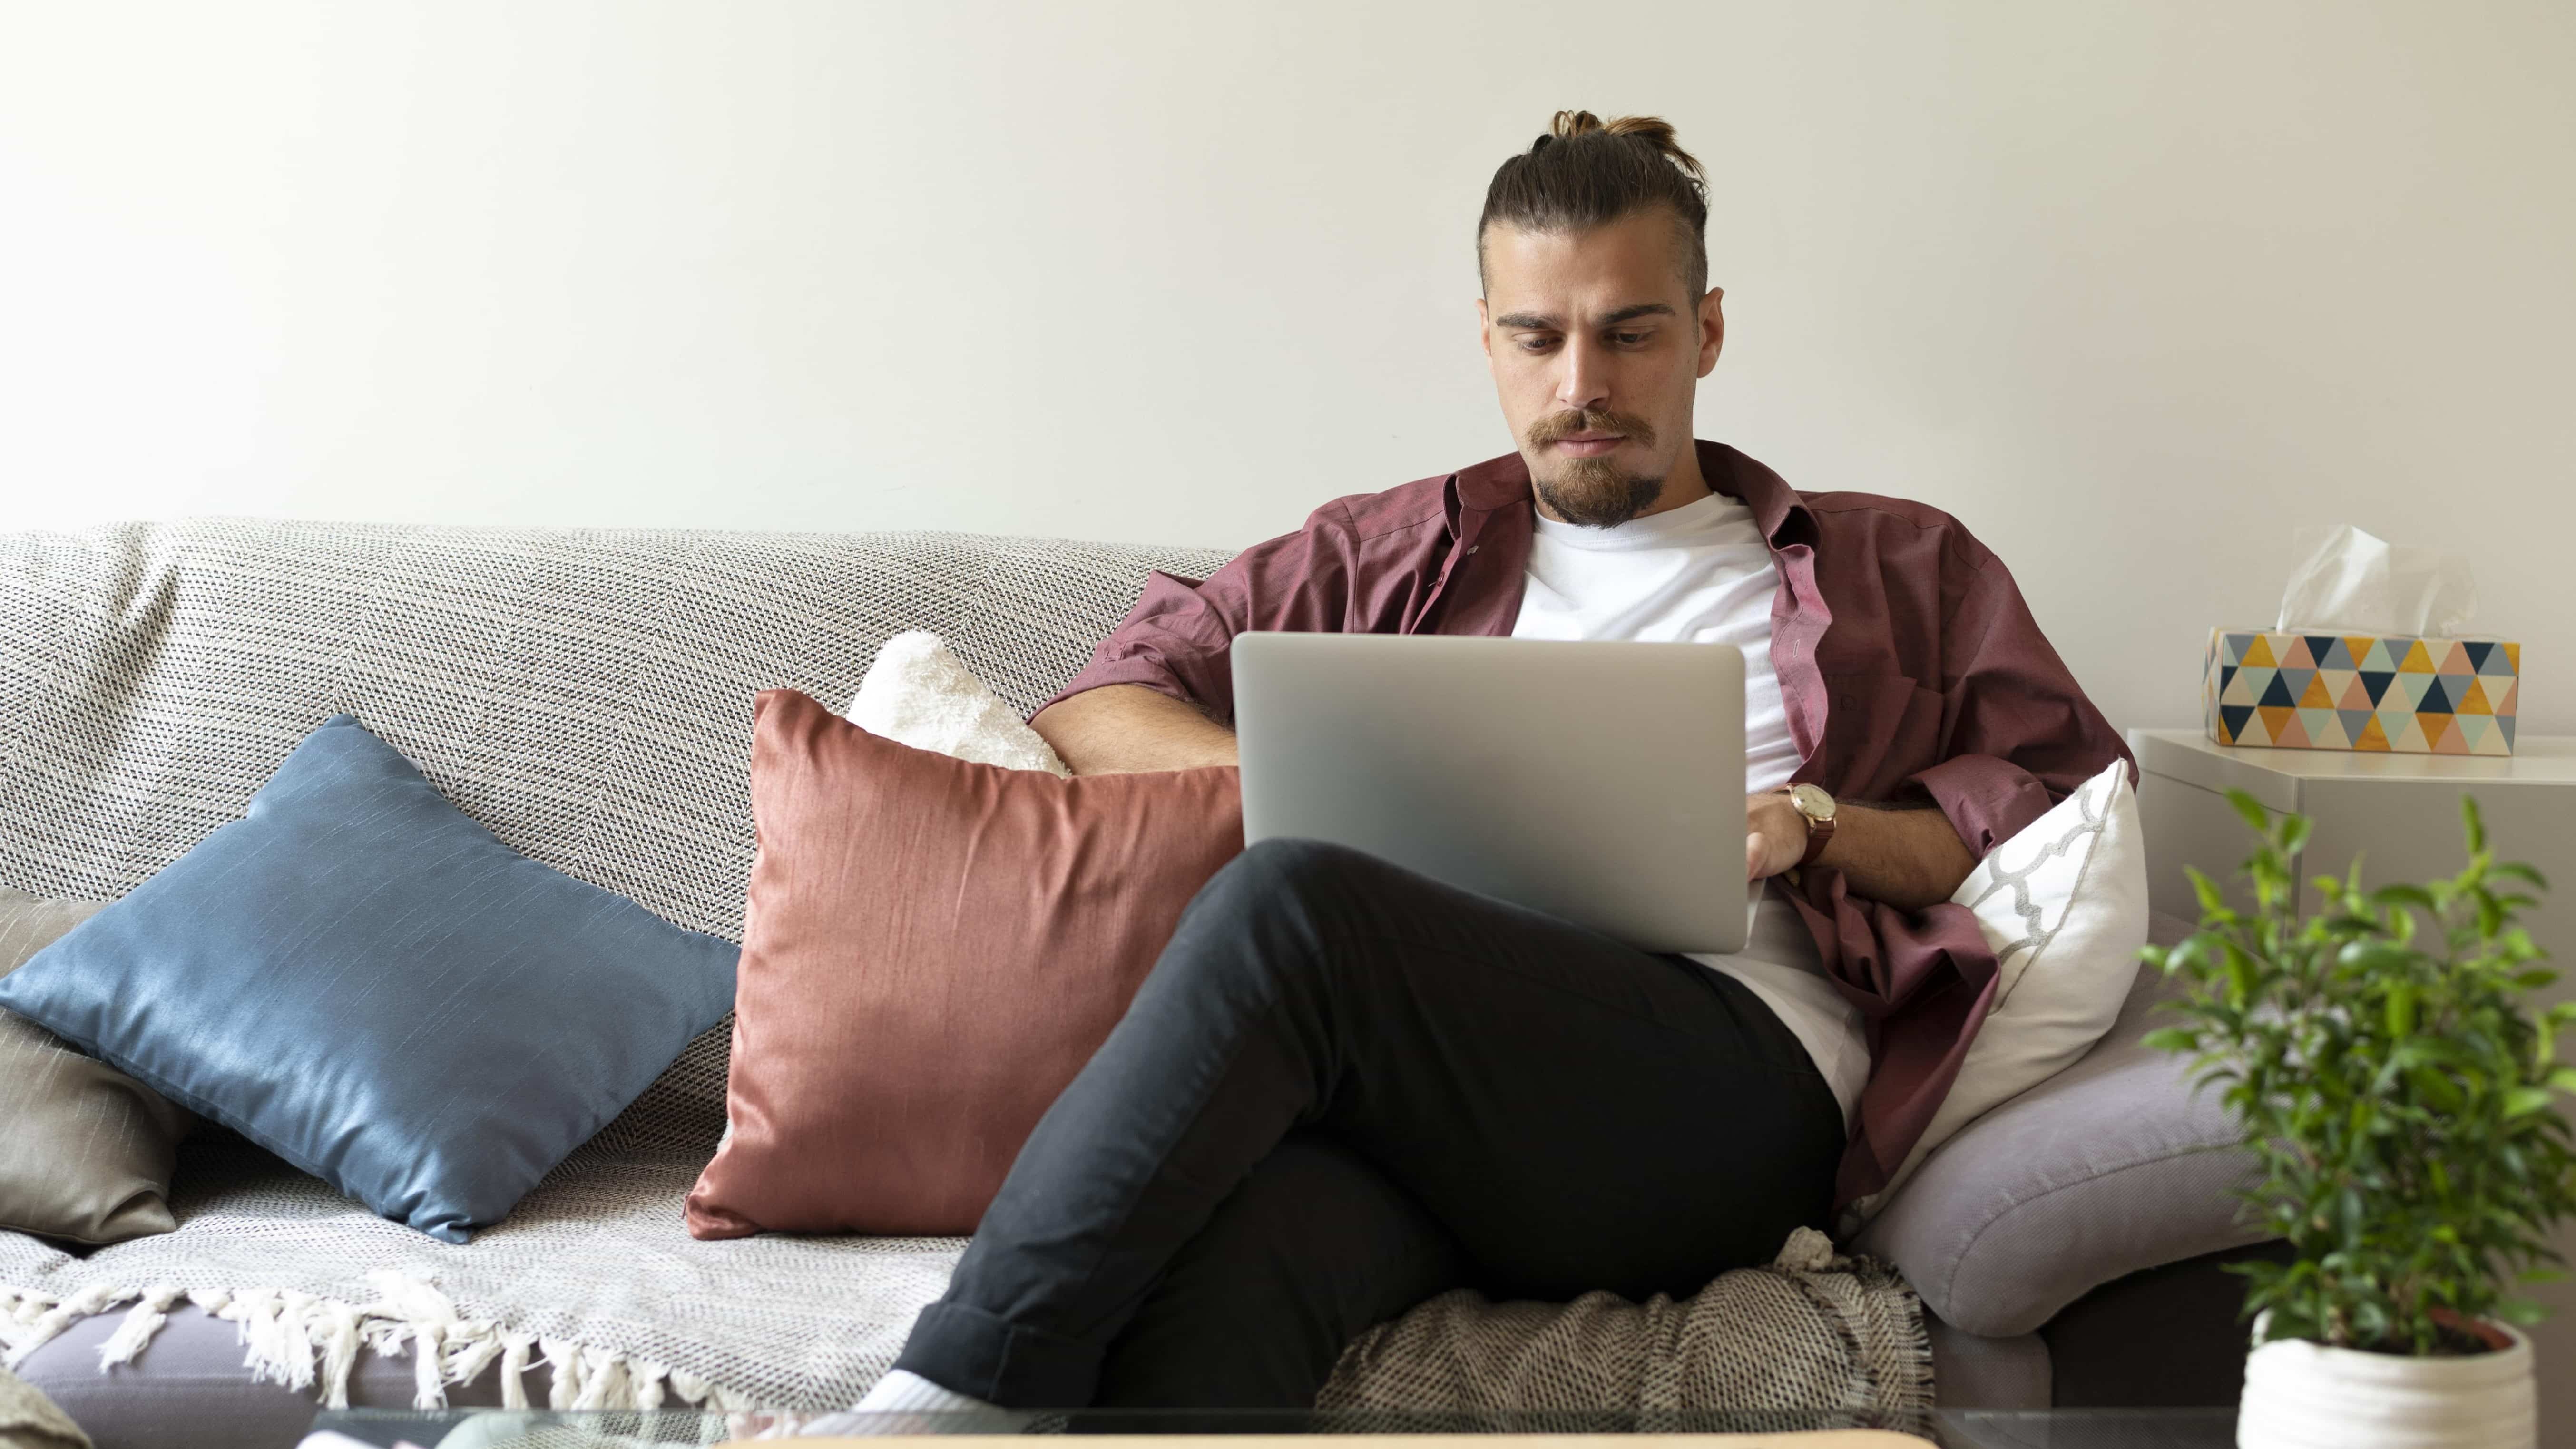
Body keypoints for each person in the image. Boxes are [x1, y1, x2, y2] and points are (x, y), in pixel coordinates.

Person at [853, 110, 2129, 1415]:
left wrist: (1810, 821)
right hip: (1446, 1107)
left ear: (1710, 333)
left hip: (1725, 1100)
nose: (1584, 381)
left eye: (1631, 332)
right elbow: (1103, 705)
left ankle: (933, 1404)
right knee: (1236, 1259)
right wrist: (1326, 791)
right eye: (1538, 337)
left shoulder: (1899, 564)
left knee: (1295, 903)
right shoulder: (1386, 551)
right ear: (1488, 340)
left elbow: (2037, 809)